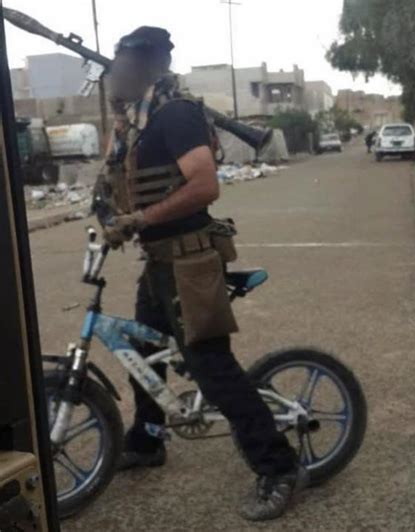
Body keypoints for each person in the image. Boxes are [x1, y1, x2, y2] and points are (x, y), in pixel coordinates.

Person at [99, 26, 305, 521]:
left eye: (121, 64)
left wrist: (142, 219)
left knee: (212, 370)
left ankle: (278, 467)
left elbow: (205, 186)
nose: (112, 74)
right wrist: (111, 215)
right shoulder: (135, 123)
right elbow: (117, 182)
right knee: (142, 352)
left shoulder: (176, 116)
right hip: (158, 262)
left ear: (146, 66)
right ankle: (148, 439)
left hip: (190, 261)